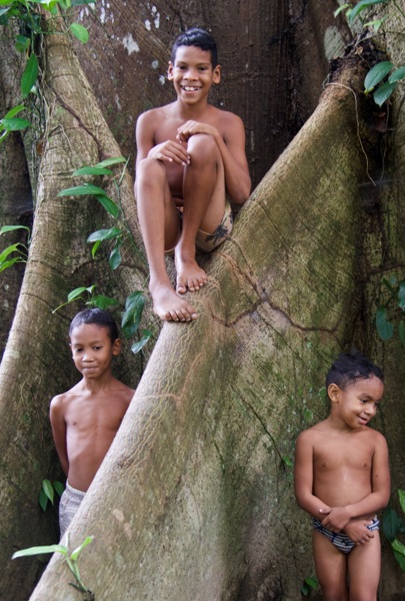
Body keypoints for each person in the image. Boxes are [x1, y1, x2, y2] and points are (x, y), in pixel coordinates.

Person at [134, 27, 252, 323]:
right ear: (171, 71)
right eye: (183, 68)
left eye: (201, 69)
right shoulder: (150, 122)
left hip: (209, 226)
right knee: (147, 166)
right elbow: (141, 186)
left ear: (216, 74)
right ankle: (159, 283)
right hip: (167, 228)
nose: (190, 77)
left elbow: (241, 194)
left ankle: (186, 254)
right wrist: (153, 155)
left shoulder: (229, 123)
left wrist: (212, 136)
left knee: (201, 142)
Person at [294, 352, 390, 601]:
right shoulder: (310, 440)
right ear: (335, 394)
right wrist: (339, 521)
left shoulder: (375, 441)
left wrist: (350, 515)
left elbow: (382, 494)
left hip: (366, 532)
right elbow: (304, 494)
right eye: (364, 400)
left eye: (375, 404)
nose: (370, 411)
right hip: (327, 533)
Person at [49, 308, 135, 540]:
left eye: (96, 348)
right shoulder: (62, 404)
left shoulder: (130, 400)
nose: (87, 357)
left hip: (115, 501)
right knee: (74, 567)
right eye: (79, 349)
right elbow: (65, 458)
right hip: (75, 501)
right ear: (71, 350)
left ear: (115, 347)